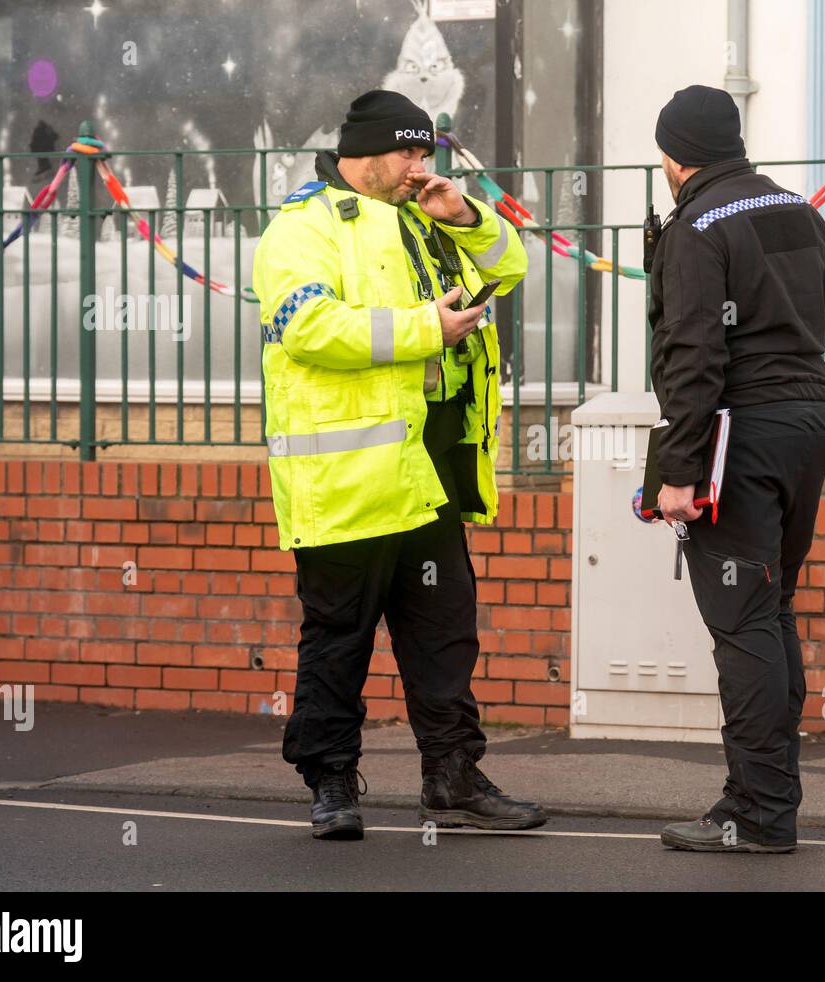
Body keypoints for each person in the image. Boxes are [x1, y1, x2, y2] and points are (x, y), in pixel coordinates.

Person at [252, 90, 545, 840]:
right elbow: (309, 326)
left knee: (444, 634)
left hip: (431, 469)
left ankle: (451, 777)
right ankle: (330, 783)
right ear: (371, 152)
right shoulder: (303, 226)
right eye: (413, 154)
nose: (422, 167)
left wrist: (467, 215)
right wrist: (427, 328)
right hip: (348, 481)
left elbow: (511, 268)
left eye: (427, 155)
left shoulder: (423, 211)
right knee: (338, 638)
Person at [647, 85, 825, 853]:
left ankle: (756, 813)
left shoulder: (695, 225)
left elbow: (693, 355)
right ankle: (767, 800)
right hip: (808, 421)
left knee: (743, 624)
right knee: (774, 608)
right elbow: (822, 321)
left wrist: (677, 470)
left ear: (672, 156)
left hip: (741, 435)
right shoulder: (797, 207)